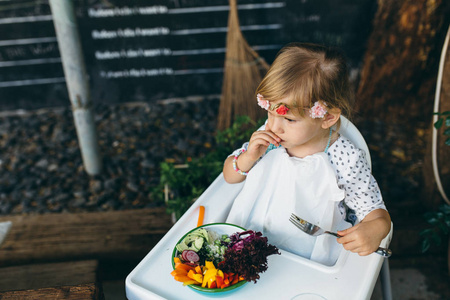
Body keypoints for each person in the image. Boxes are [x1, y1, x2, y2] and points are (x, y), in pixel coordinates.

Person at [223, 42, 391, 265]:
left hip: (307, 258)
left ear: (328, 118)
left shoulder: (344, 158)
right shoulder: (268, 138)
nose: (274, 127)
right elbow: (229, 176)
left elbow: (375, 213)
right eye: (270, 114)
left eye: (290, 120)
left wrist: (375, 229)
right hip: (248, 243)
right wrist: (248, 157)